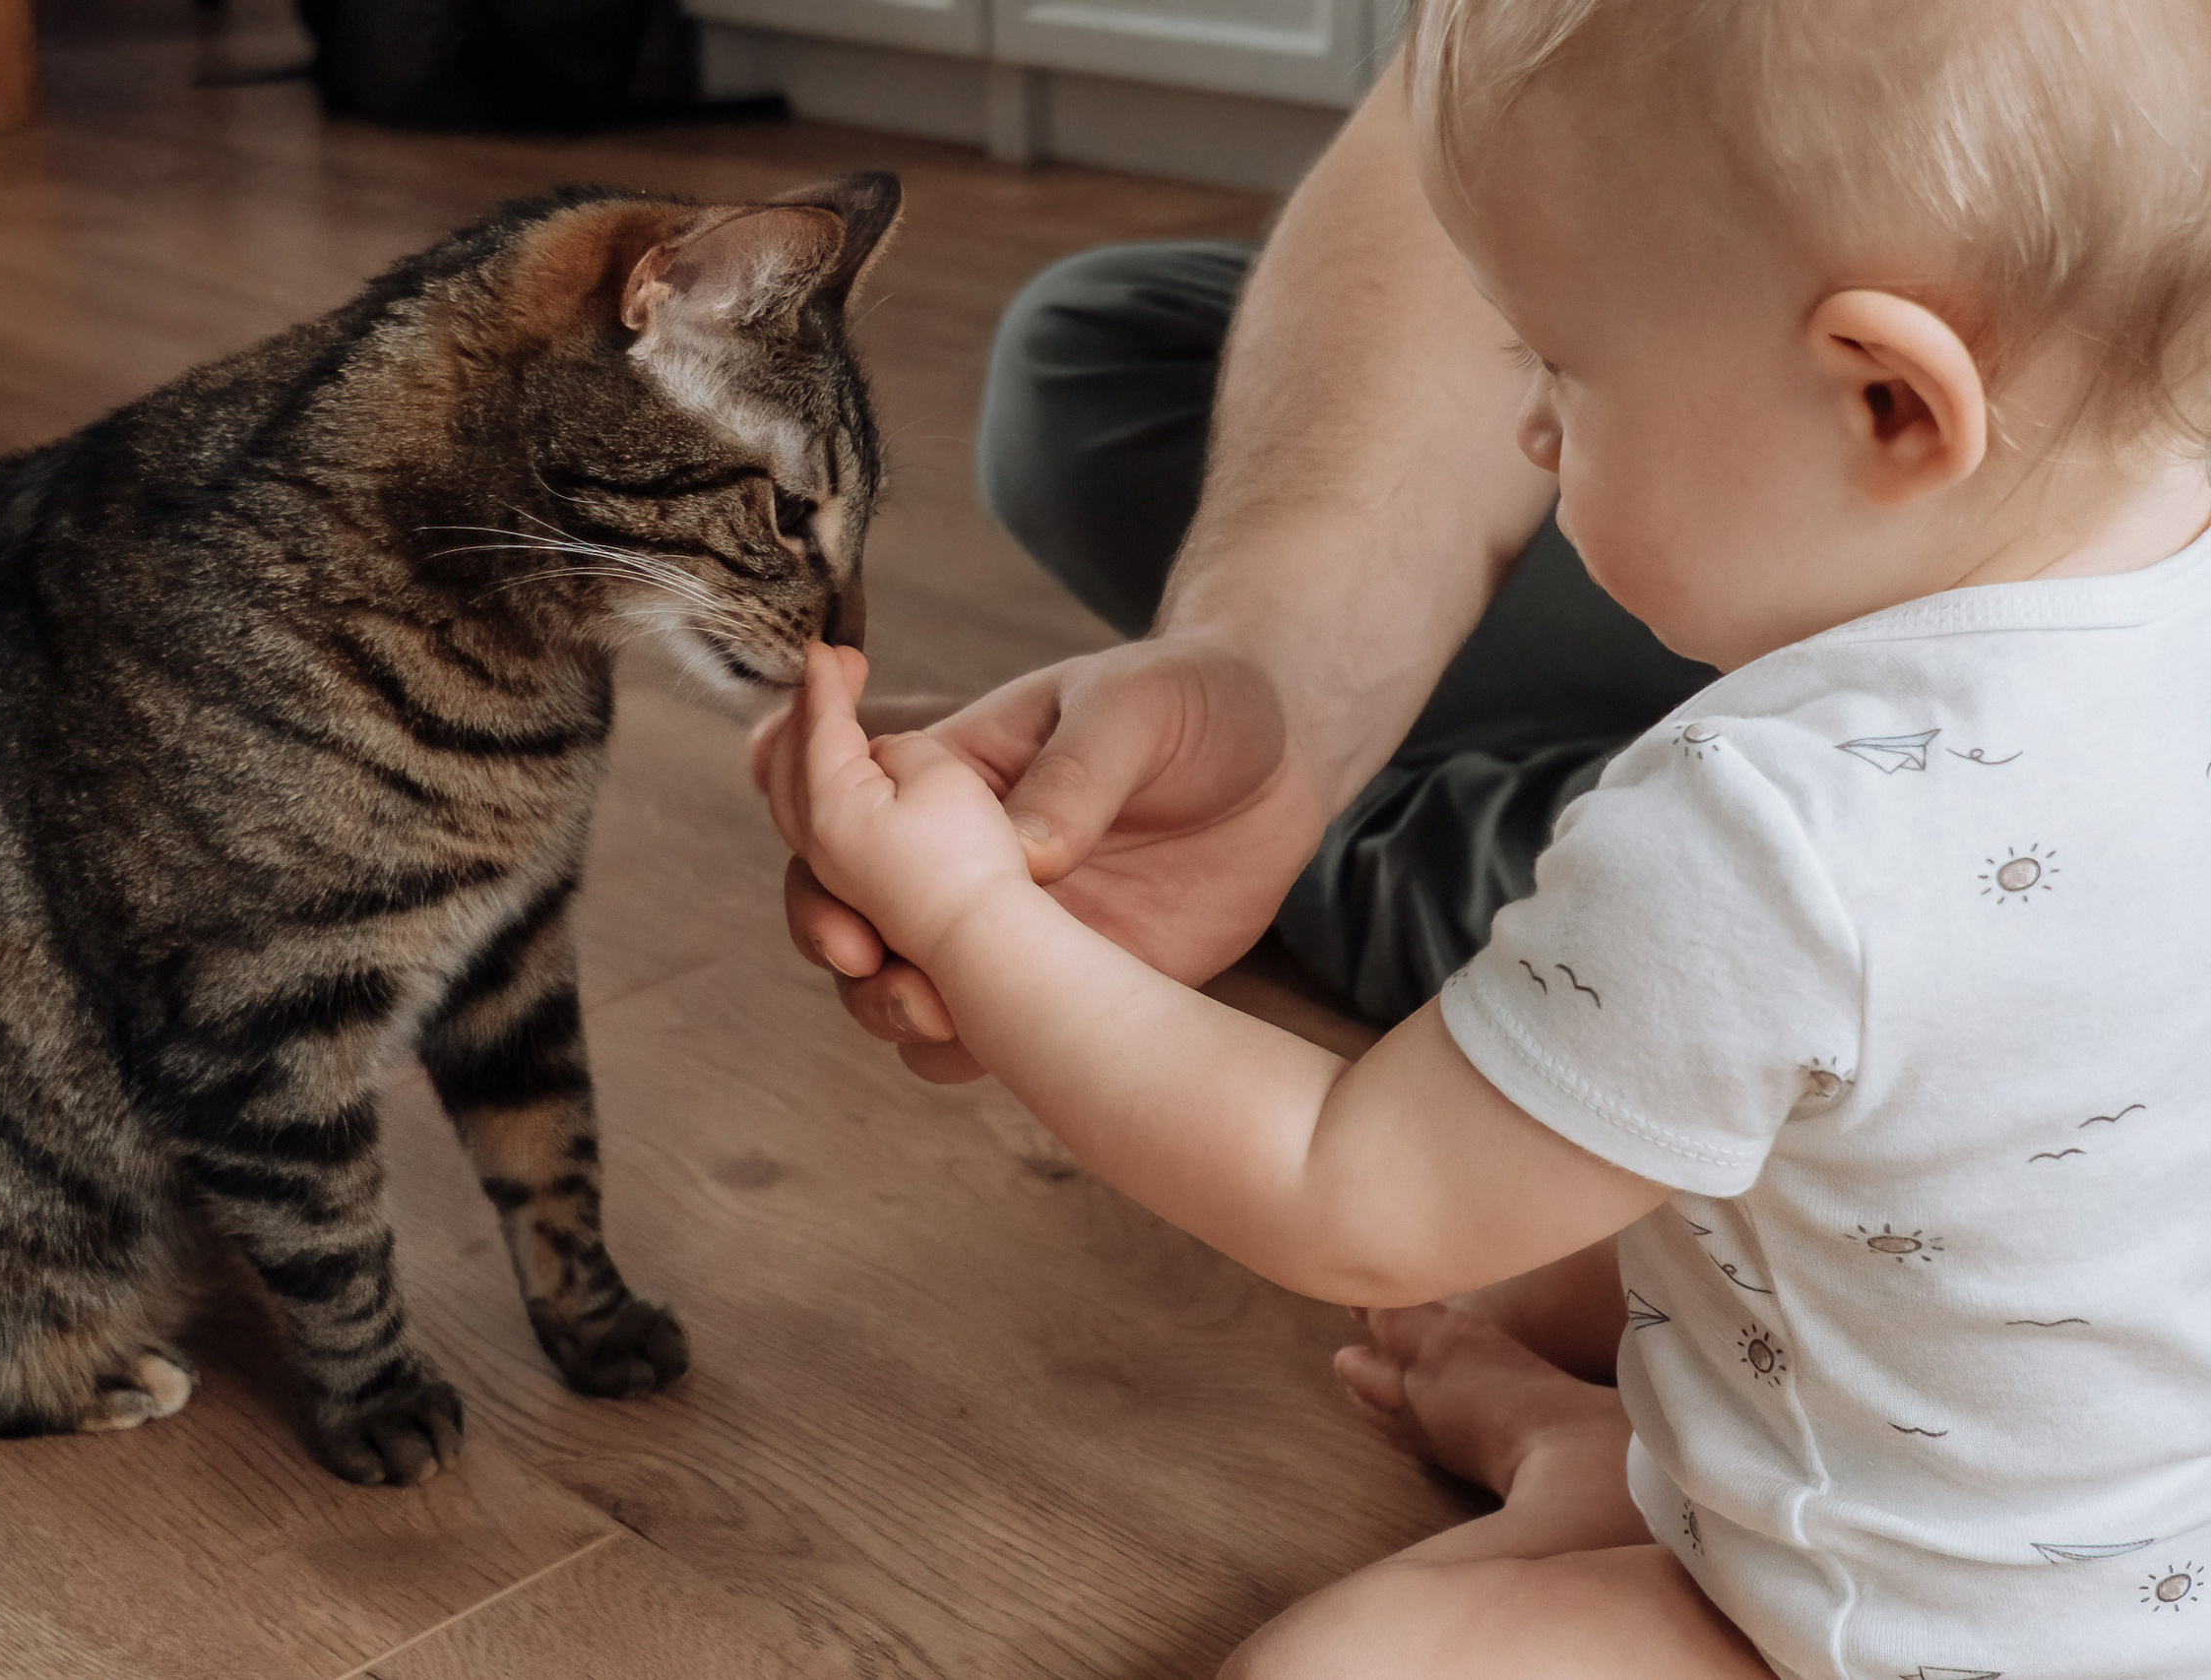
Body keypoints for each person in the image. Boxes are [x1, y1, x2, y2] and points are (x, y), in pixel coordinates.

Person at [757, 1, 2211, 1673]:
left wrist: (969, 915)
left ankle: (1607, 1483)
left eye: (1559, 368)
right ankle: (1604, 1453)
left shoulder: (1769, 831)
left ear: (1886, 402)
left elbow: (1344, 1190)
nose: (1530, 429)